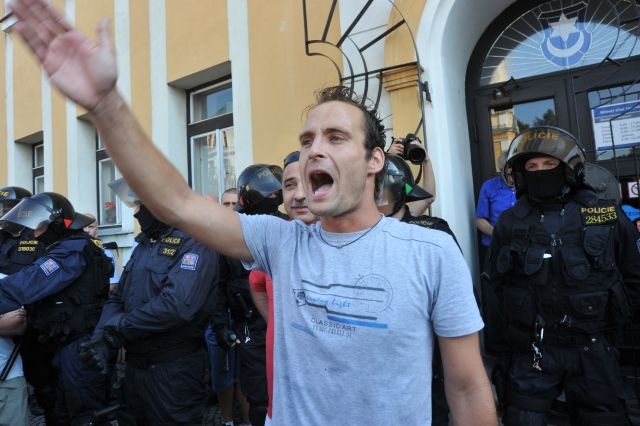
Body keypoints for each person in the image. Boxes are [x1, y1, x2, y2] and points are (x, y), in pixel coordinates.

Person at [8, 3, 497, 424]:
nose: (313, 152)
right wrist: (104, 104)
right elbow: (175, 202)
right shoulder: (281, 242)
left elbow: (468, 387)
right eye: (307, 141)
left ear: (375, 162)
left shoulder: (430, 252)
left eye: (336, 138)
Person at [489, 126, 640, 425]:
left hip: (594, 348)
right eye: (531, 167)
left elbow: (633, 277)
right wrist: (500, 353)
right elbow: (495, 287)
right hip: (533, 351)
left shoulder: (605, 213)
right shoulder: (509, 222)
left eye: (549, 164)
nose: (539, 171)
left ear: (569, 168)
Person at [79, 179, 220, 425]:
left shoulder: (196, 242)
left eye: (140, 206)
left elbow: (177, 305)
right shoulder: (144, 244)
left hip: (173, 372)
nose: (136, 214)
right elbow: (120, 297)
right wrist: (101, 338)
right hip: (136, 370)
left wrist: (118, 329)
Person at [0, 191, 113, 424]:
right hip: (62, 341)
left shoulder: (72, 250)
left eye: (39, 227)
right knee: (59, 410)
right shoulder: (61, 247)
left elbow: (27, 284)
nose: (35, 233)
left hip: (79, 344)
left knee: (83, 411)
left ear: (57, 224)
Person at [211, 164, 286, 426]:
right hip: (249, 327)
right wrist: (220, 325)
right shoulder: (232, 233)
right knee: (257, 397)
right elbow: (218, 284)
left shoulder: (290, 227)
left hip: (284, 327)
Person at [248, 150, 318, 424]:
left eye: (309, 183)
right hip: (281, 403)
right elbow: (256, 284)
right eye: (290, 185)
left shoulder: (346, 238)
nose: (299, 195)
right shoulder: (275, 239)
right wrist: (279, 321)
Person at [204, 189, 251, 426]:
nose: (230, 207)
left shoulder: (250, 233)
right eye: (226, 203)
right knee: (222, 373)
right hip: (218, 315)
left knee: (245, 372)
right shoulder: (210, 237)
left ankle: (248, 419)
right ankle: (228, 421)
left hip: (246, 317)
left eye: (234, 203)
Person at [0, 187, 42, 426]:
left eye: (11, 208)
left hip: (32, 317)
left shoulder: (36, 238)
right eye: (3, 208)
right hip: (4, 313)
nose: (6, 213)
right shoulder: (1, 238)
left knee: (41, 377)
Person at [475, 151, 516, 265]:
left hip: (522, 247)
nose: (511, 176)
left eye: (514, 172)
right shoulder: (489, 186)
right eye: (508, 172)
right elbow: (479, 220)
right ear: (501, 169)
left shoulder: (527, 186)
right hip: (496, 247)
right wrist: (499, 235)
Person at [386, 135, 436, 215]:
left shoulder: (404, 217)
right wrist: (389, 158)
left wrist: (426, 159)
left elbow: (427, 199)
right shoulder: (374, 218)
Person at [84, 213, 120, 293]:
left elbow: (113, 284)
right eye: (84, 226)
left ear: (97, 229)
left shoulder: (105, 252)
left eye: (91, 227)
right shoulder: (71, 249)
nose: (87, 230)